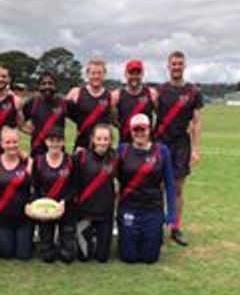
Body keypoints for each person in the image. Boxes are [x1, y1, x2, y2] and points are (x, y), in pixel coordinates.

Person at [155, 51, 203, 246]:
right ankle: (156, 225)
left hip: (182, 145)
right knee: (157, 187)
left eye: (179, 64)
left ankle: (175, 227)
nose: (176, 67)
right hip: (160, 143)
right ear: (168, 66)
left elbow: (197, 121)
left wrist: (196, 148)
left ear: (184, 66)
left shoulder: (193, 92)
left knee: (177, 189)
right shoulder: (159, 90)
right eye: (173, 64)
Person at [117, 113, 176, 264]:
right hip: (129, 209)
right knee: (129, 258)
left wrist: (171, 215)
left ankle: (154, 234)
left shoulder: (162, 151)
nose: (139, 133)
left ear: (149, 130)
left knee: (150, 258)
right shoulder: (122, 151)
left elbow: (170, 184)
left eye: (143, 129)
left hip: (153, 209)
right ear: (130, 131)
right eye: (135, 130)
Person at [0, 126, 33, 260]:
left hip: (23, 219)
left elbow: (34, 189)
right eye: (8, 142)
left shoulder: (29, 163)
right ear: (1, 144)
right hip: (0, 219)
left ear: (19, 142)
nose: (12, 145)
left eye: (15, 142)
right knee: (7, 253)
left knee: (23, 255)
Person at [29, 127, 76, 263]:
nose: (55, 144)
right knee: (48, 257)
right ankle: (47, 242)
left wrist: (64, 202)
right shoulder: (38, 161)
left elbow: (75, 186)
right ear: (46, 142)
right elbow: (35, 187)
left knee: (67, 257)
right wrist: (36, 205)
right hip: (46, 209)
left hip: (65, 208)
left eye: (58, 141)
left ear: (63, 142)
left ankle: (65, 242)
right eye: (51, 140)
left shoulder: (71, 161)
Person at [73, 123, 117, 263]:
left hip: (105, 213)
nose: (102, 142)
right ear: (92, 139)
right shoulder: (81, 157)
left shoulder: (115, 157)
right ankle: (85, 235)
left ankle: (99, 238)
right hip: (85, 213)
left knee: (102, 258)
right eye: (99, 138)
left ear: (111, 140)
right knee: (84, 257)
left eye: (106, 139)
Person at [66, 58, 113, 151]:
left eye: (99, 73)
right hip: (81, 146)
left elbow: (113, 121)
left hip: (102, 147)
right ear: (87, 74)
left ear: (104, 75)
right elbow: (58, 111)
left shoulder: (110, 96)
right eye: (93, 73)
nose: (96, 76)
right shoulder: (76, 93)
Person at [110, 60, 157, 143]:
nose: (134, 76)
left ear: (142, 74)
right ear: (125, 74)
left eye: (137, 73)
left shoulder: (151, 93)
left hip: (147, 145)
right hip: (125, 145)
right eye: (131, 73)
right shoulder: (117, 95)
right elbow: (109, 116)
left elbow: (161, 117)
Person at [22, 73, 67, 157]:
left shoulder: (64, 103)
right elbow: (19, 119)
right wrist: (25, 129)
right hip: (37, 151)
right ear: (39, 86)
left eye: (50, 83)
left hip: (58, 151)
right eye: (44, 84)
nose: (47, 86)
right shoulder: (32, 103)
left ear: (55, 86)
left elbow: (79, 120)